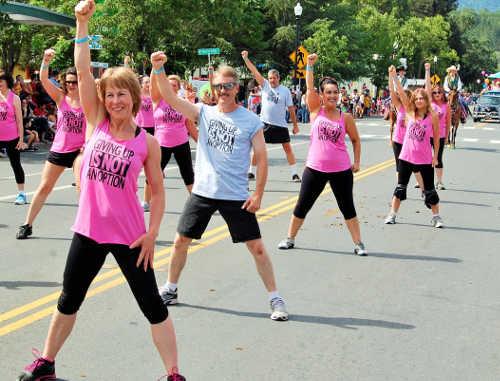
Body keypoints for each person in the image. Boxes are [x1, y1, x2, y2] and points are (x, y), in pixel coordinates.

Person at [17, 2, 185, 381]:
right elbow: (80, 68)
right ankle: (46, 363)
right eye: (109, 95)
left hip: (129, 236)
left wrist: (153, 232)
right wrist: (82, 23)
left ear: (134, 98)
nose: (115, 101)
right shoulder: (96, 123)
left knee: (153, 306)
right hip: (88, 231)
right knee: (68, 298)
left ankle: (173, 374)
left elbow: (157, 193)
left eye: (122, 95)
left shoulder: (147, 143)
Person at [149, 51, 289, 322]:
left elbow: (261, 159)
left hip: (235, 195)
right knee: (180, 241)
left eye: (227, 86)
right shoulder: (203, 112)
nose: (222, 91)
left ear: (236, 87)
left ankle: (275, 298)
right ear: (212, 89)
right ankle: (171, 288)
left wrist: (258, 194)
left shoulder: (250, 120)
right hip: (203, 192)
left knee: (257, 248)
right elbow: (168, 96)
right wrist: (158, 69)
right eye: (218, 86)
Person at [277, 54, 367, 256]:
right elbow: (309, 88)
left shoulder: (347, 117)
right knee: (302, 205)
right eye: (329, 93)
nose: (333, 96)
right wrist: (309, 66)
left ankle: (359, 243)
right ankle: (290, 238)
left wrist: (357, 161)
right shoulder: (316, 110)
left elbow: (355, 140)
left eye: (335, 92)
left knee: (347, 207)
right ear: (322, 95)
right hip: (315, 169)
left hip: (341, 171)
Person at [17, 49, 87, 239]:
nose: (72, 85)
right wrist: (45, 60)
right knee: (44, 187)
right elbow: (45, 80)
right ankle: (27, 224)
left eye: (75, 82)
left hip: (81, 150)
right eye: (69, 82)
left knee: (82, 187)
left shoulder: (90, 100)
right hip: (60, 148)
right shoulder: (60, 97)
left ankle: (85, 228)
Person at [384, 65, 443, 228]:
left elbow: (437, 138)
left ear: (426, 100)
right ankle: (392, 214)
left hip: (424, 158)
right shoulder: (409, 112)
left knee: (430, 189)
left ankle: (436, 216)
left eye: (421, 98)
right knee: (400, 187)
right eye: (416, 99)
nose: (418, 101)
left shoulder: (433, 117)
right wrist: (394, 76)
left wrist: (436, 156)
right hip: (406, 157)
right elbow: (401, 93)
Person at [241, 51, 301, 182]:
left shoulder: (285, 90)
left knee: (287, 148)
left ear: (278, 78)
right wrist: (246, 59)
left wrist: (295, 125)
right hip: (264, 124)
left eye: (274, 78)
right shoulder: (265, 86)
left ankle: (295, 173)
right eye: (270, 78)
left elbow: (291, 108)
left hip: (280, 125)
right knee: (258, 147)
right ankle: (251, 172)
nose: (272, 80)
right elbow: (254, 71)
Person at [142, 73, 198, 211]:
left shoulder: (182, 102)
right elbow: (154, 85)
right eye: (168, 84)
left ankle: (196, 204)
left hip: (181, 142)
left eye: (174, 85)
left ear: (178, 88)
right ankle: (146, 202)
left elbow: (190, 125)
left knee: (188, 174)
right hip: (161, 144)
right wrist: (155, 69)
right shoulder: (158, 100)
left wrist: (201, 143)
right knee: (152, 173)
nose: (171, 87)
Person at [0, 71, 28, 204]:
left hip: (12, 137)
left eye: (1, 81)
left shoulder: (14, 98)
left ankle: (21, 194)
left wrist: (21, 139)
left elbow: (19, 121)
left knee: (15, 164)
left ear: (7, 82)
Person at [425, 62, 450, 190]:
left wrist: (447, 137)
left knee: (438, 158)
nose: (436, 94)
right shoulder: (430, 102)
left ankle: (439, 182)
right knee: (426, 158)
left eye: (439, 92)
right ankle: (424, 181)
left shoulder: (447, 105)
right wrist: (427, 71)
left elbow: (448, 122)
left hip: (440, 135)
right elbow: (427, 87)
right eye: (434, 93)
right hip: (428, 134)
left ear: (442, 93)